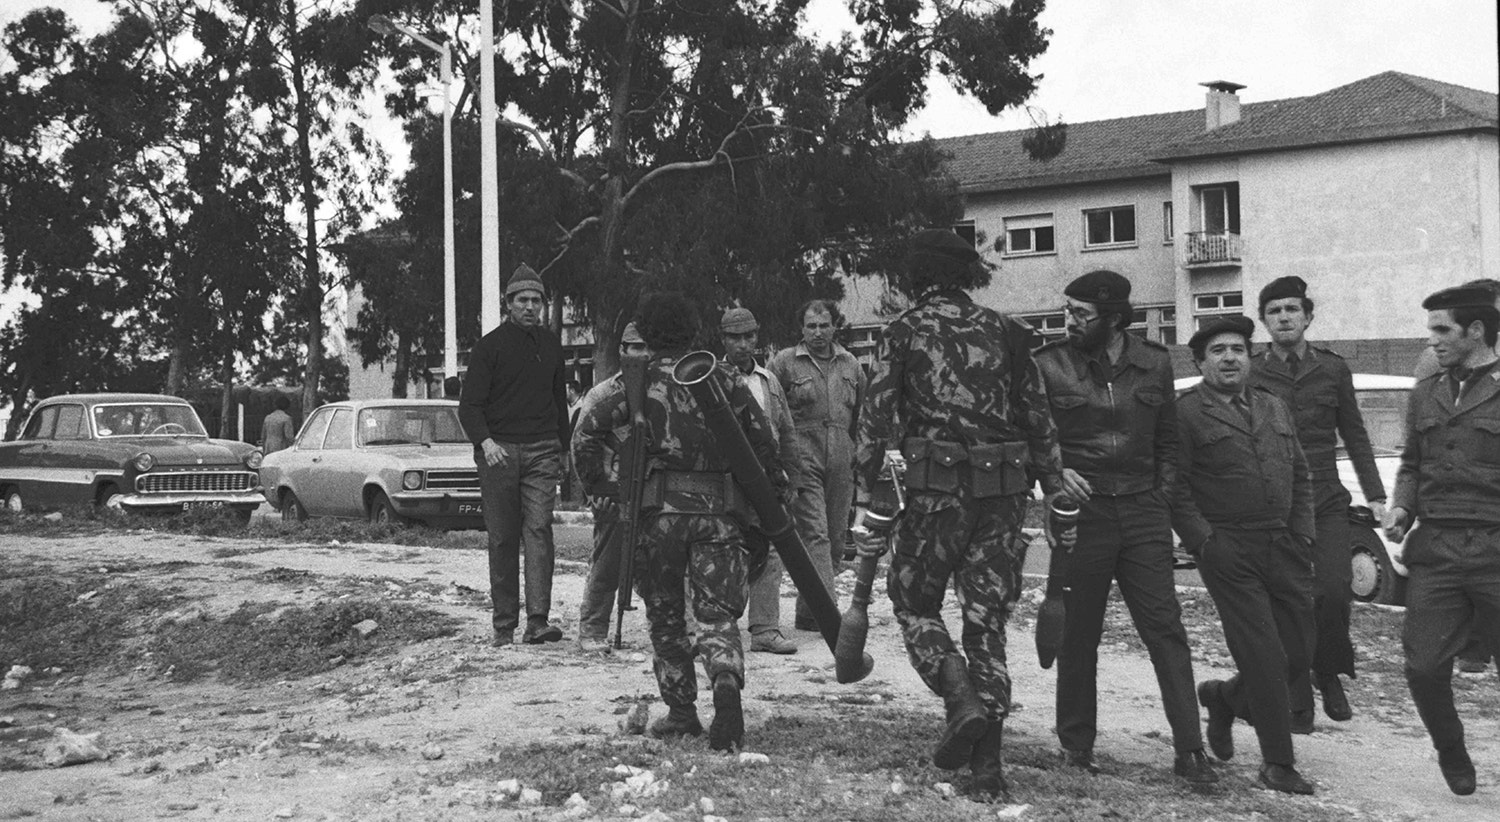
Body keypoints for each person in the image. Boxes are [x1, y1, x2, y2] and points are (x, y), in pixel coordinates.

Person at [853, 228, 1065, 801]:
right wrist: (1053, 489)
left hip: (935, 494)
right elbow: (1039, 418)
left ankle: (959, 698)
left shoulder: (903, 331)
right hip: (1004, 494)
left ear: (915, 277)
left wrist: (866, 491)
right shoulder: (1010, 331)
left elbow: (876, 417)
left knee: (914, 603)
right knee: (986, 622)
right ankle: (987, 767)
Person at [573, 292, 786, 752]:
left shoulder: (634, 383)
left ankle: (682, 713)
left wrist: (606, 488)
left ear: (647, 333)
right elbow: (765, 443)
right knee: (717, 614)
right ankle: (724, 679)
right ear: (694, 332)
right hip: (719, 516)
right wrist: (768, 504)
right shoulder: (723, 378)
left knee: (666, 615)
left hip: (658, 520)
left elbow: (585, 434)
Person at [1033, 270, 1216, 784]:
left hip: (1142, 514)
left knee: (1165, 630)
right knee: (1078, 634)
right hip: (1083, 516)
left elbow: (1168, 443)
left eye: (1081, 314)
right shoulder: (1049, 365)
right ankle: (1076, 746)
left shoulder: (1155, 362)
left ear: (1113, 319)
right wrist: (1055, 474)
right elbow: (1034, 436)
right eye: (1068, 311)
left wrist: (1161, 497)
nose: (1070, 322)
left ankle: (1190, 750)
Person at [1173, 315, 1318, 795]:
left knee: (1299, 653)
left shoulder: (1274, 406)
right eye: (1218, 351)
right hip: (1229, 548)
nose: (1230, 358)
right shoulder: (1186, 413)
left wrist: (1303, 535)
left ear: (1250, 357)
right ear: (1200, 362)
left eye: (1238, 349)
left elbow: (1300, 474)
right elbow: (1175, 487)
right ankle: (1278, 763)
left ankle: (1222, 697)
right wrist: (1204, 542)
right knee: (1264, 655)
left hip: (1284, 544)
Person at [1249, 276, 1386, 732]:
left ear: (1308, 317)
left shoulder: (1332, 369)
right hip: (1274, 502)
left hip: (1325, 497)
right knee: (1286, 596)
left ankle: (1326, 671)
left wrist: (1377, 496)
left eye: (1292, 309)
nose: (1284, 317)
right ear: (1264, 321)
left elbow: (1355, 434)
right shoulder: (1251, 371)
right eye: (1274, 311)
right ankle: (1296, 691)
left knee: (1332, 588)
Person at [1385, 283, 1500, 796]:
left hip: (1496, 546)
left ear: (1475, 330)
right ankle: (1450, 748)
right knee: (1423, 666)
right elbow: (1412, 463)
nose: (1432, 340)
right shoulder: (1425, 391)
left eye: (1441, 330)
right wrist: (1402, 507)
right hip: (1436, 549)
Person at [459, 264, 568, 646]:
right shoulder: (489, 348)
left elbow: (559, 401)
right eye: (522, 300)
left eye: (537, 300)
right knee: (503, 537)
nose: (530, 307)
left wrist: (563, 449)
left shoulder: (551, 346)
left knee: (538, 530)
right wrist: (486, 443)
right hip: (499, 453)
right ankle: (504, 625)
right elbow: (469, 407)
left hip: (542, 451)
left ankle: (537, 621)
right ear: (508, 303)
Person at [769, 299, 867, 631]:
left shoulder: (850, 364)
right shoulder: (784, 362)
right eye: (811, 326)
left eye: (824, 325)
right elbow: (770, 412)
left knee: (837, 539)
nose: (818, 332)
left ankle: (809, 612)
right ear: (801, 329)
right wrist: (781, 461)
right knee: (816, 534)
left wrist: (860, 456)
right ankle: (829, 617)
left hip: (841, 457)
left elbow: (861, 415)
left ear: (835, 326)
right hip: (802, 454)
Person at [721, 306, 802, 654]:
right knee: (721, 553)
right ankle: (715, 628)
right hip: (725, 482)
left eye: (749, 336)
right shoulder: (713, 379)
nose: (743, 344)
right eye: (735, 337)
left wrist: (792, 479)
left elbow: (786, 432)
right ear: (723, 340)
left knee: (769, 552)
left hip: (766, 481)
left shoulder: (769, 381)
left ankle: (765, 628)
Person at [572, 323, 651, 653]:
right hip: (615, 491)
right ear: (622, 351)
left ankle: (675, 629)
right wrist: (597, 492)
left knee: (669, 564)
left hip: (656, 489)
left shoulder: (665, 389)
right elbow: (582, 445)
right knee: (608, 561)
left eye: (649, 347)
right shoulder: (603, 395)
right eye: (636, 347)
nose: (644, 354)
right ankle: (593, 628)